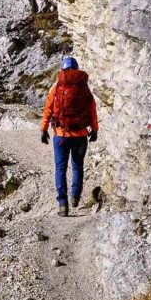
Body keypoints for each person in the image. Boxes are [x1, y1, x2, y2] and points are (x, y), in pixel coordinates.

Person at [40, 56, 99, 217]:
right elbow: (92, 110)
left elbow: (48, 108)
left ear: (63, 69)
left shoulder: (58, 86)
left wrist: (43, 129)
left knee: (60, 168)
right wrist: (94, 130)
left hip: (61, 135)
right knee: (77, 166)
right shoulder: (84, 88)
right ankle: (75, 197)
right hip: (80, 135)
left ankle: (63, 205)